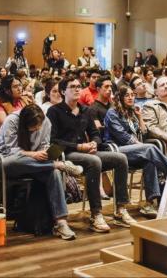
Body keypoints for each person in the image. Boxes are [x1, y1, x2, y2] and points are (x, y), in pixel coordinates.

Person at [47, 76, 136, 233]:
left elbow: (95, 134)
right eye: (72, 86)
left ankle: (121, 209)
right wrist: (79, 146)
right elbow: (53, 141)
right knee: (94, 162)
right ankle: (96, 214)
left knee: (120, 158)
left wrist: (94, 142)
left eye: (78, 86)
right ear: (63, 91)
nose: (77, 89)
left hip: (86, 151)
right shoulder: (54, 111)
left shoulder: (85, 110)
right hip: (67, 154)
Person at [0, 104, 81, 240]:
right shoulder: (11, 121)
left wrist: (45, 153)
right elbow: (11, 151)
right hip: (10, 163)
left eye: (38, 126)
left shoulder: (46, 121)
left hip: (37, 165)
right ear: (24, 123)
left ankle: (61, 223)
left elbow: (44, 144)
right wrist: (33, 155)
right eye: (33, 127)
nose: (37, 129)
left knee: (54, 173)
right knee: (12, 161)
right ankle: (58, 164)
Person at [104, 85, 167, 217]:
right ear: (120, 98)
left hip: (134, 151)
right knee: (149, 148)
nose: (130, 98)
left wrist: (139, 117)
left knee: (149, 161)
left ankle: (149, 204)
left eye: (132, 95)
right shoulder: (112, 113)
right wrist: (141, 145)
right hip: (117, 150)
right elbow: (124, 137)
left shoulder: (131, 112)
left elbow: (144, 133)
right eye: (127, 95)